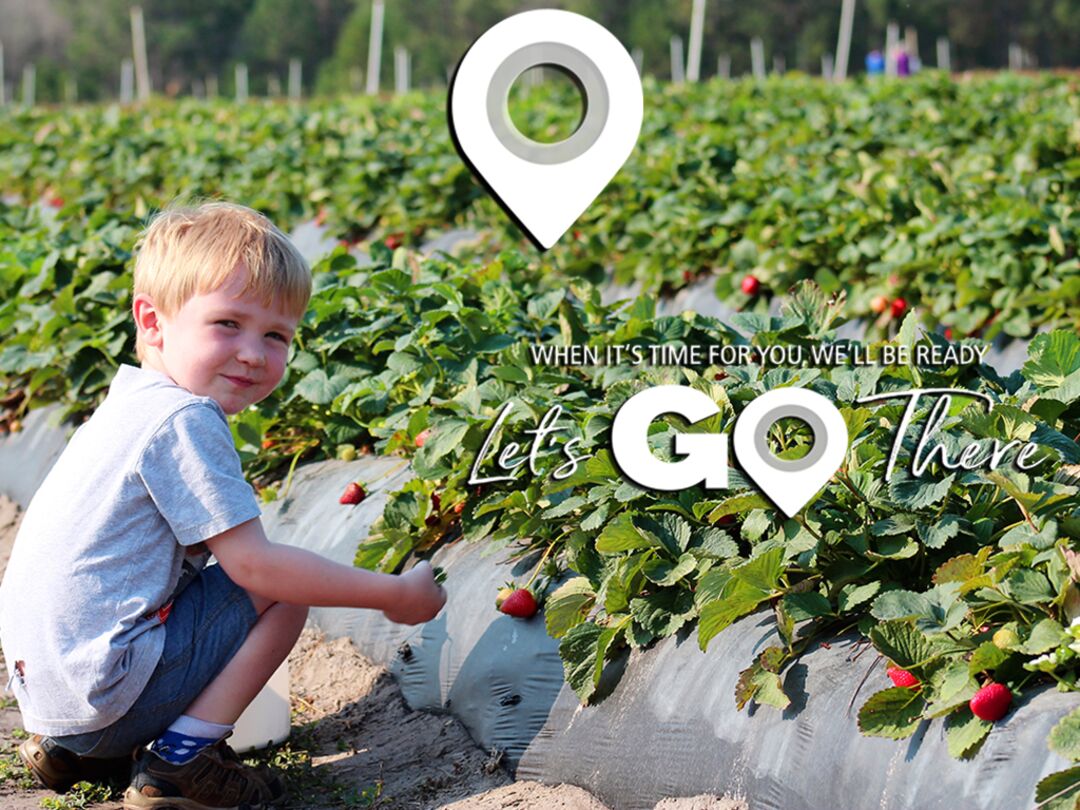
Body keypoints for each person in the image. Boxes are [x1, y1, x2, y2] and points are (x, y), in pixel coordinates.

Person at [0, 201, 447, 809]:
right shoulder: (184, 418)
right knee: (283, 592)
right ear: (153, 322)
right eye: (227, 324)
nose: (253, 354)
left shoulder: (125, 404)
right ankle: (179, 764)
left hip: (50, 699)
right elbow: (255, 569)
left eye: (275, 336)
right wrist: (394, 595)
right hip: (103, 694)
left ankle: (74, 751)